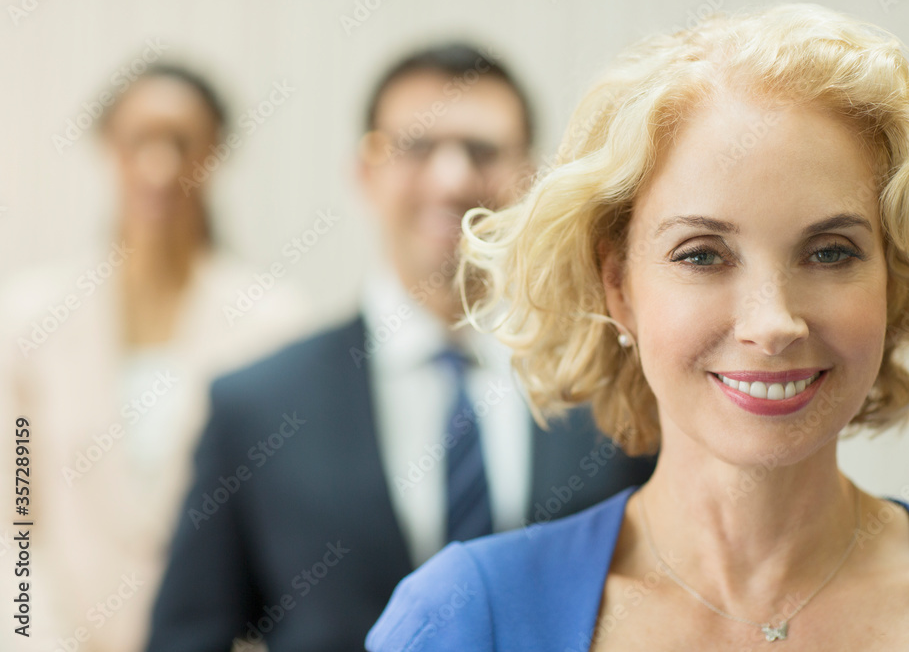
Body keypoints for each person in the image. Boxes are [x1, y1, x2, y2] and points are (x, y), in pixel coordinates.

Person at [366, 5, 909, 651]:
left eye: (831, 251)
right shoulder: (466, 615)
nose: (772, 322)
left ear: (894, 277)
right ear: (619, 286)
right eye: (702, 254)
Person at [145, 43, 655, 652]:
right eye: (415, 147)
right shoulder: (256, 408)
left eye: (482, 150)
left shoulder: (613, 377)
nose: (452, 177)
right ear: (365, 173)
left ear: (532, 177)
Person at [0, 65, 310, 652]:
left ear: (215, 153)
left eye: (182, 142)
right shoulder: (28, 320)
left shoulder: (272, 323)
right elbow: (15, 514)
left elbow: (277, 527)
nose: (160, 166)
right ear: (106, 147)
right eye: (138, 139)